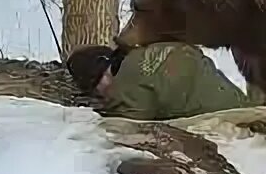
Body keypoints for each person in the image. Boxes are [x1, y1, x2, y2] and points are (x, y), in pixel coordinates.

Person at [66, 42, 254, 121]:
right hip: (242, 105)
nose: (102, 94)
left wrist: (103, 112)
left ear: (102, 76)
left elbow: (127, 126)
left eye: (97, 90)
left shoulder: (126, 83)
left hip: (228, 126)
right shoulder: (150, 49)